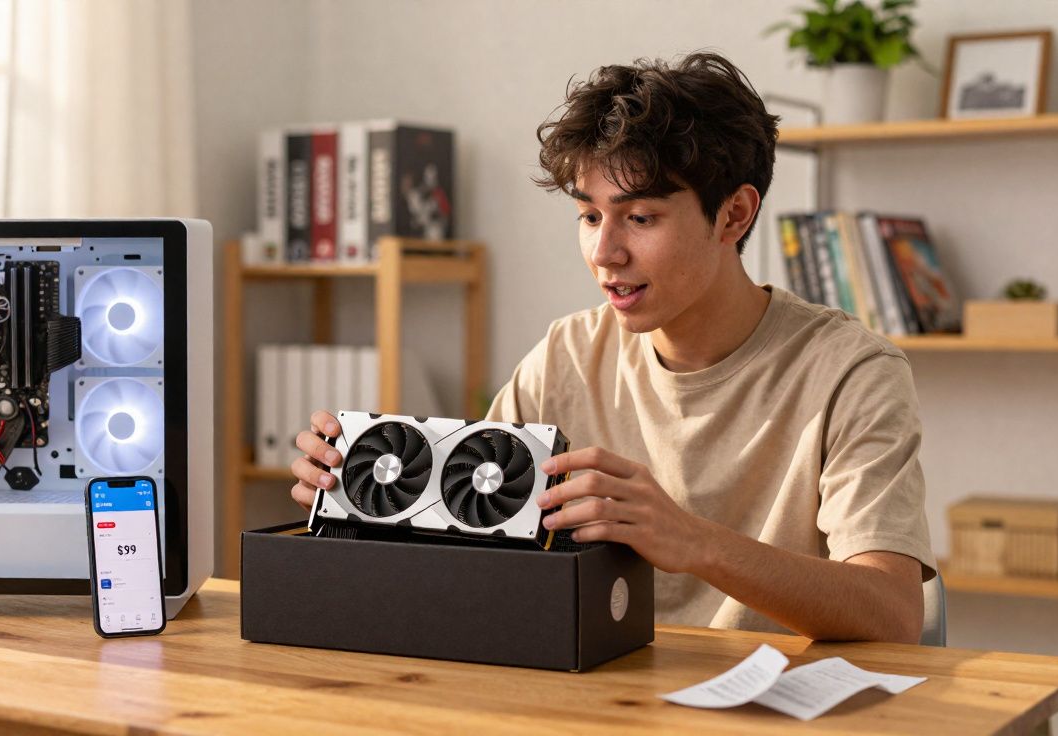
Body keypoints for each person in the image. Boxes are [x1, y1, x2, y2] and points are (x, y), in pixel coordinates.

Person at [289, 52, 935, 643]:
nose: (605, 253)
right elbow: (467, 552)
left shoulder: (851, 372)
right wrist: (355, 495)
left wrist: (693, 542)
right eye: (590, 216)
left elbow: (893, 611)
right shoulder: (567, 354)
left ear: (734, 215)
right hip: (596, 700)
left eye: (640, 218)